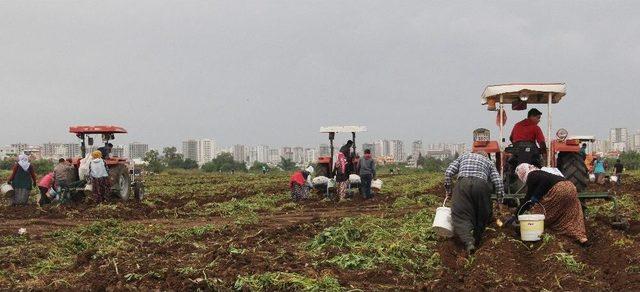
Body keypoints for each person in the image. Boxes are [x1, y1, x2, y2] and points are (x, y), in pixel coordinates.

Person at [444, 151, 504, 254]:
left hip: (463, 184)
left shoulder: (464, 156)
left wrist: (449, 192)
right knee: (483, 214)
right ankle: (477, 240)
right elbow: (498, 181)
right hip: (481, 186)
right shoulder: (488, 162)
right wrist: (499, 201)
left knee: (460, 214)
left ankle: (468, 242)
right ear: (485, 155)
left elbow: (448, 172)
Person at [515, 163, 589, 246]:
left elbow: (528, 197)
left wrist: (517, 214)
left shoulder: (531, 175)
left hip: (559, 189)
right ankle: (582, 239)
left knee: (539, 213)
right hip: (570, 187)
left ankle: (534, 236)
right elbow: (530, 196)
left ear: (522, 172)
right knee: (571, 214)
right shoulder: (540, 173)